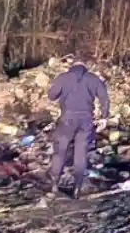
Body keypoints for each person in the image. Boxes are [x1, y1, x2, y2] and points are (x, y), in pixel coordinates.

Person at [46, 61, 110, 199]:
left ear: (72, 66)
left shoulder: (63, 77)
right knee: (81, 153)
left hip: (67, 119)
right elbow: (104, 97)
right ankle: (77, 188)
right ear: (85, 67)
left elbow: (51, 96)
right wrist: (104, 117)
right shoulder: (93, 79)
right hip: (86, 120)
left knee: (60, 151)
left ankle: (54, 185)